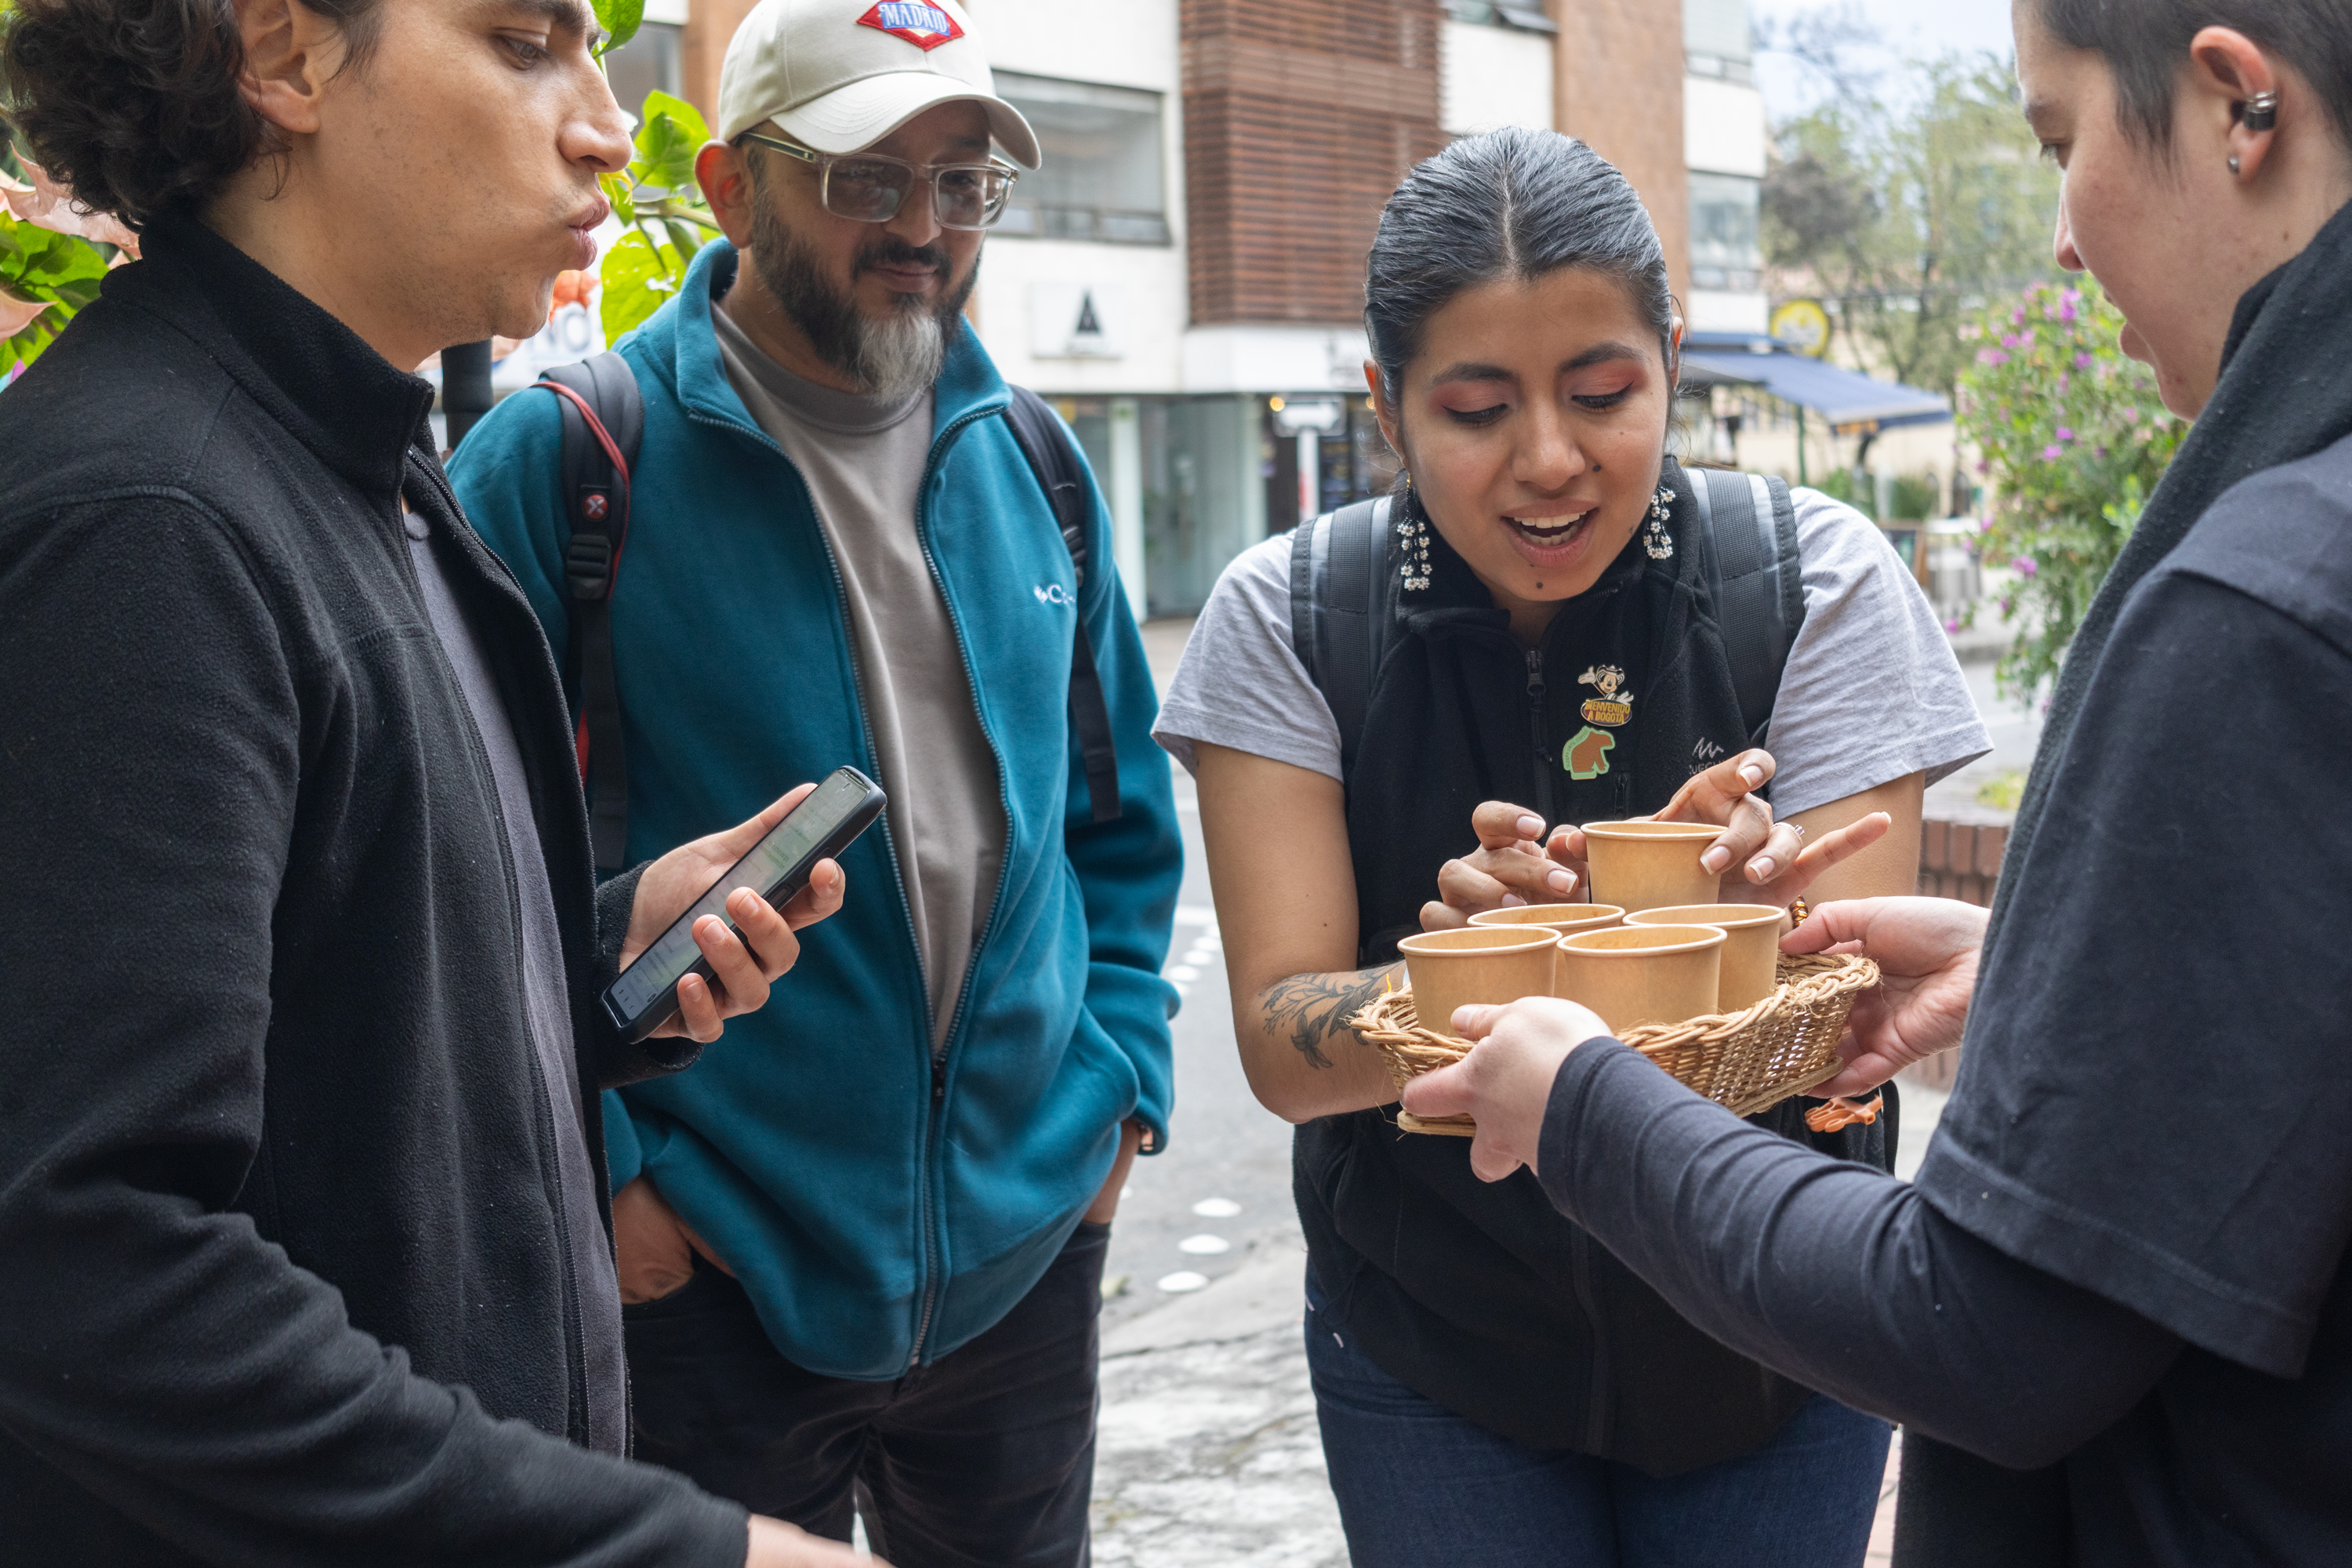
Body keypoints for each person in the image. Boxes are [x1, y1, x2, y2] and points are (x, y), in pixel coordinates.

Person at [1403, 7, 2352, 1566]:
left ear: (2237, 104)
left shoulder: (2251, 606)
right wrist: (2052, 973)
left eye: (2062, 145)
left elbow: (1988, 1332)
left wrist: (1580, 1104)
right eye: (1475, 408)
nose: (2060, 240)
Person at [0, 0, 875, 1563]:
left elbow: (323, 1060)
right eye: (525, 41)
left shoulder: (370, 477)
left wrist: (596, 968)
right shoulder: (146, 522)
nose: (606, 120)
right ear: (281, 57)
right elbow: (83, 1264)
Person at [1151, 126, 1989, 1566]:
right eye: (1476, 410)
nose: (1552, 463)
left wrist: (1669, 918)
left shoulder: (1817, 580)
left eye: (1605, 392)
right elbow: (1287, 1048)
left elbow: (1844, 1030)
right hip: (1432, 1349)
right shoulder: (1289, 612)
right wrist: (1460, 967)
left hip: (1779, 1325)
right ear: (1386, 404)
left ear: (1670, 359)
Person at [449, 0, 1180, 1559]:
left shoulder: (1040, 465)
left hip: (1023, 1269)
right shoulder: (564, 467)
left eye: (964, 179)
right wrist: (626, 1185)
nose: (925, 227)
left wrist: (1118, 1099)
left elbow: (1117, 828)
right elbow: (458, 904)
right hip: (706, 1284)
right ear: (728, 188)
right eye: (867, 175)